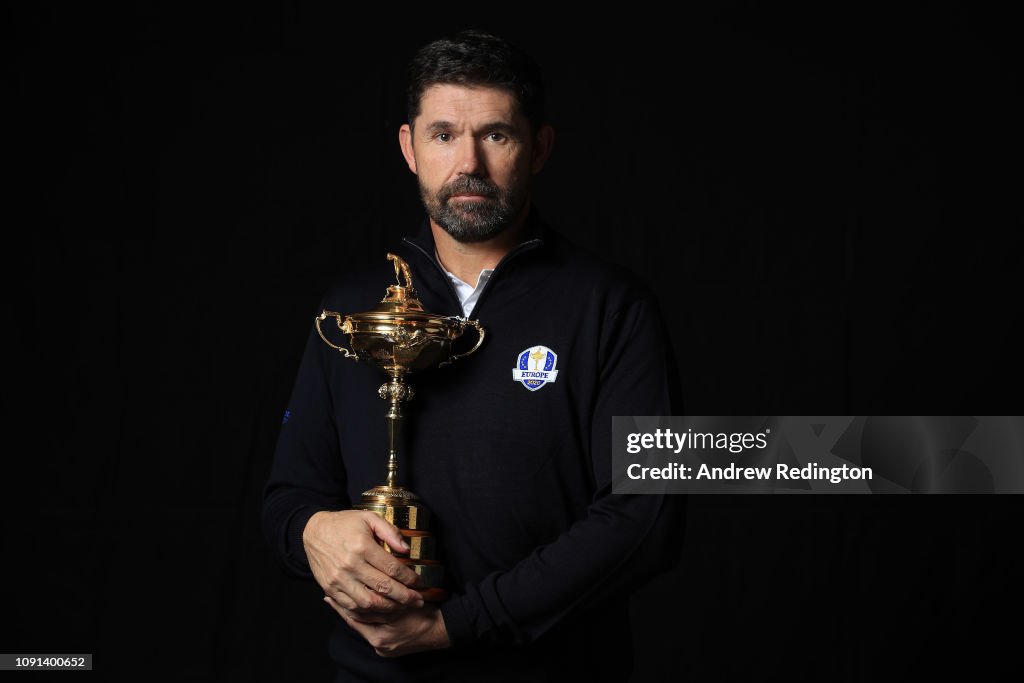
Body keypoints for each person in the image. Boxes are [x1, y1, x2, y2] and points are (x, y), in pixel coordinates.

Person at [263, 29, 685, 682]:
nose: (469, 165)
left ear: (539, 146)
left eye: (495, 135)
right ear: (408, 146)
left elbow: (646, 515)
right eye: (442, 135)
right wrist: (312, 531)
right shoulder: (350, 311)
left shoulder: (613, 307)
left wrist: (454, 625)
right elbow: (288, 495)